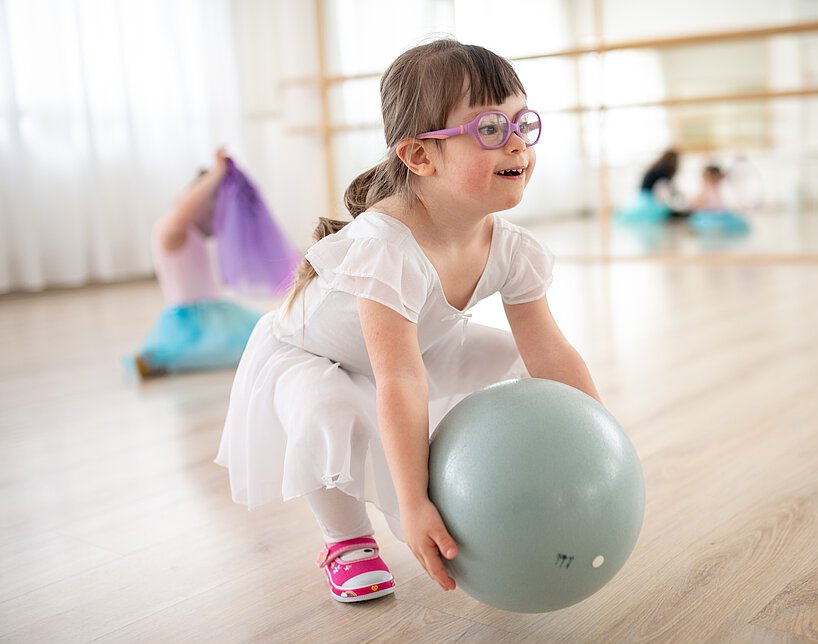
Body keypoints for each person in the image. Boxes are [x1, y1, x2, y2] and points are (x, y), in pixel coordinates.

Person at [215, 39, 601, 605]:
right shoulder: (383, 246)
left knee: (520, 363)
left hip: (419, 341)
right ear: (421, 156)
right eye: (491, 128)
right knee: (332, 415)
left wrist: (598, 439)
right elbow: (398, 380)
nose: (517, 141)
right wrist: (416, 501)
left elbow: (549, 352)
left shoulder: (512, 248)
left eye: (523, 123)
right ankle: (346, 542)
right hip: (316, 355)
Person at [129, 148, 297, 379]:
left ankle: (163, 360)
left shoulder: (193, 233)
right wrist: (217, 173)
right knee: (231, 346)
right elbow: (185, 208)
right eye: (210, 212)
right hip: (189, 321)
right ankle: (158, 359)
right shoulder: (171, 232)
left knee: (262, 333)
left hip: (218, 311)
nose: (215, 221)